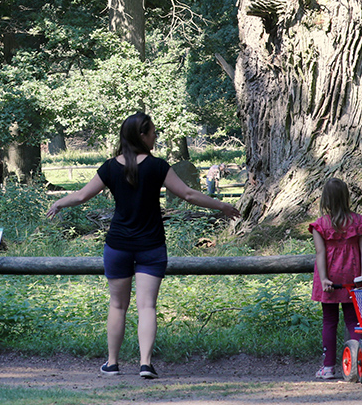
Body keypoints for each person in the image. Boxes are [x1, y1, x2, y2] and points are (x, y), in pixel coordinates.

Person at [46, 112, 240, 379]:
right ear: (141, 135)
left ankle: (112, 364)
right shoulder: (158, 166)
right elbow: (187, 194)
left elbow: (81, 195)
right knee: (147, 305)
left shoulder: (110, 167)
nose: (155, 137)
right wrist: (222, 205)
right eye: (153, 133)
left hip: (118, 246)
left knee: (117, 305)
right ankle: (145, 364)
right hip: (151, 245)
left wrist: (58, 203)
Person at [310, 178, 362, 380]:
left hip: (329, 279)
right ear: (346, 197)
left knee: (329, 320)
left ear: (325, 199)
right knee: (353, 320)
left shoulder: (320, 225)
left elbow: (320, 254)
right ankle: (357, 362)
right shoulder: (358, 222)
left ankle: (328, 367)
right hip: (353, 276)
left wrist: (325, 278)